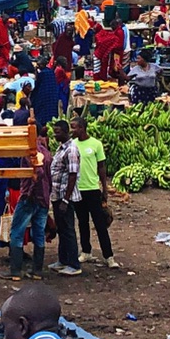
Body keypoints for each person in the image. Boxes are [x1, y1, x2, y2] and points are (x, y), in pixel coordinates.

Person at [69, 113, 115, 267]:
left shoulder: (96, 144)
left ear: (82, 128)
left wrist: (104, 188)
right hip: (78, 190)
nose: (71, 130)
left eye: (74, 127)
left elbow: (101, 167)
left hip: (92, 189)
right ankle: (86, 252)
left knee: (100, 223)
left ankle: (109, 256)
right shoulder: (72, 145)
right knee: (82, 223)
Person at [6, 131, 52, 280]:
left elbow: (37, 172)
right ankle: (37, 271)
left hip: (30, 198)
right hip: (44, 199)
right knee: (39, 234)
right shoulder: (47, 152)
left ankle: (15, 272)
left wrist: (29, 193)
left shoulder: (31, 152)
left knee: (17, 233)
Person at [49, 120, 84, 276]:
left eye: (58, 132)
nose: (55, 135)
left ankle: (74, 264)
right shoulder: (61, 148)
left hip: (65, 197)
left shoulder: (71, 150)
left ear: (65, 132)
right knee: (61, 228)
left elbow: (72, 175)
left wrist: (65, 199)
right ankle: (62, 260)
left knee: (68, 229)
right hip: (57, 195)